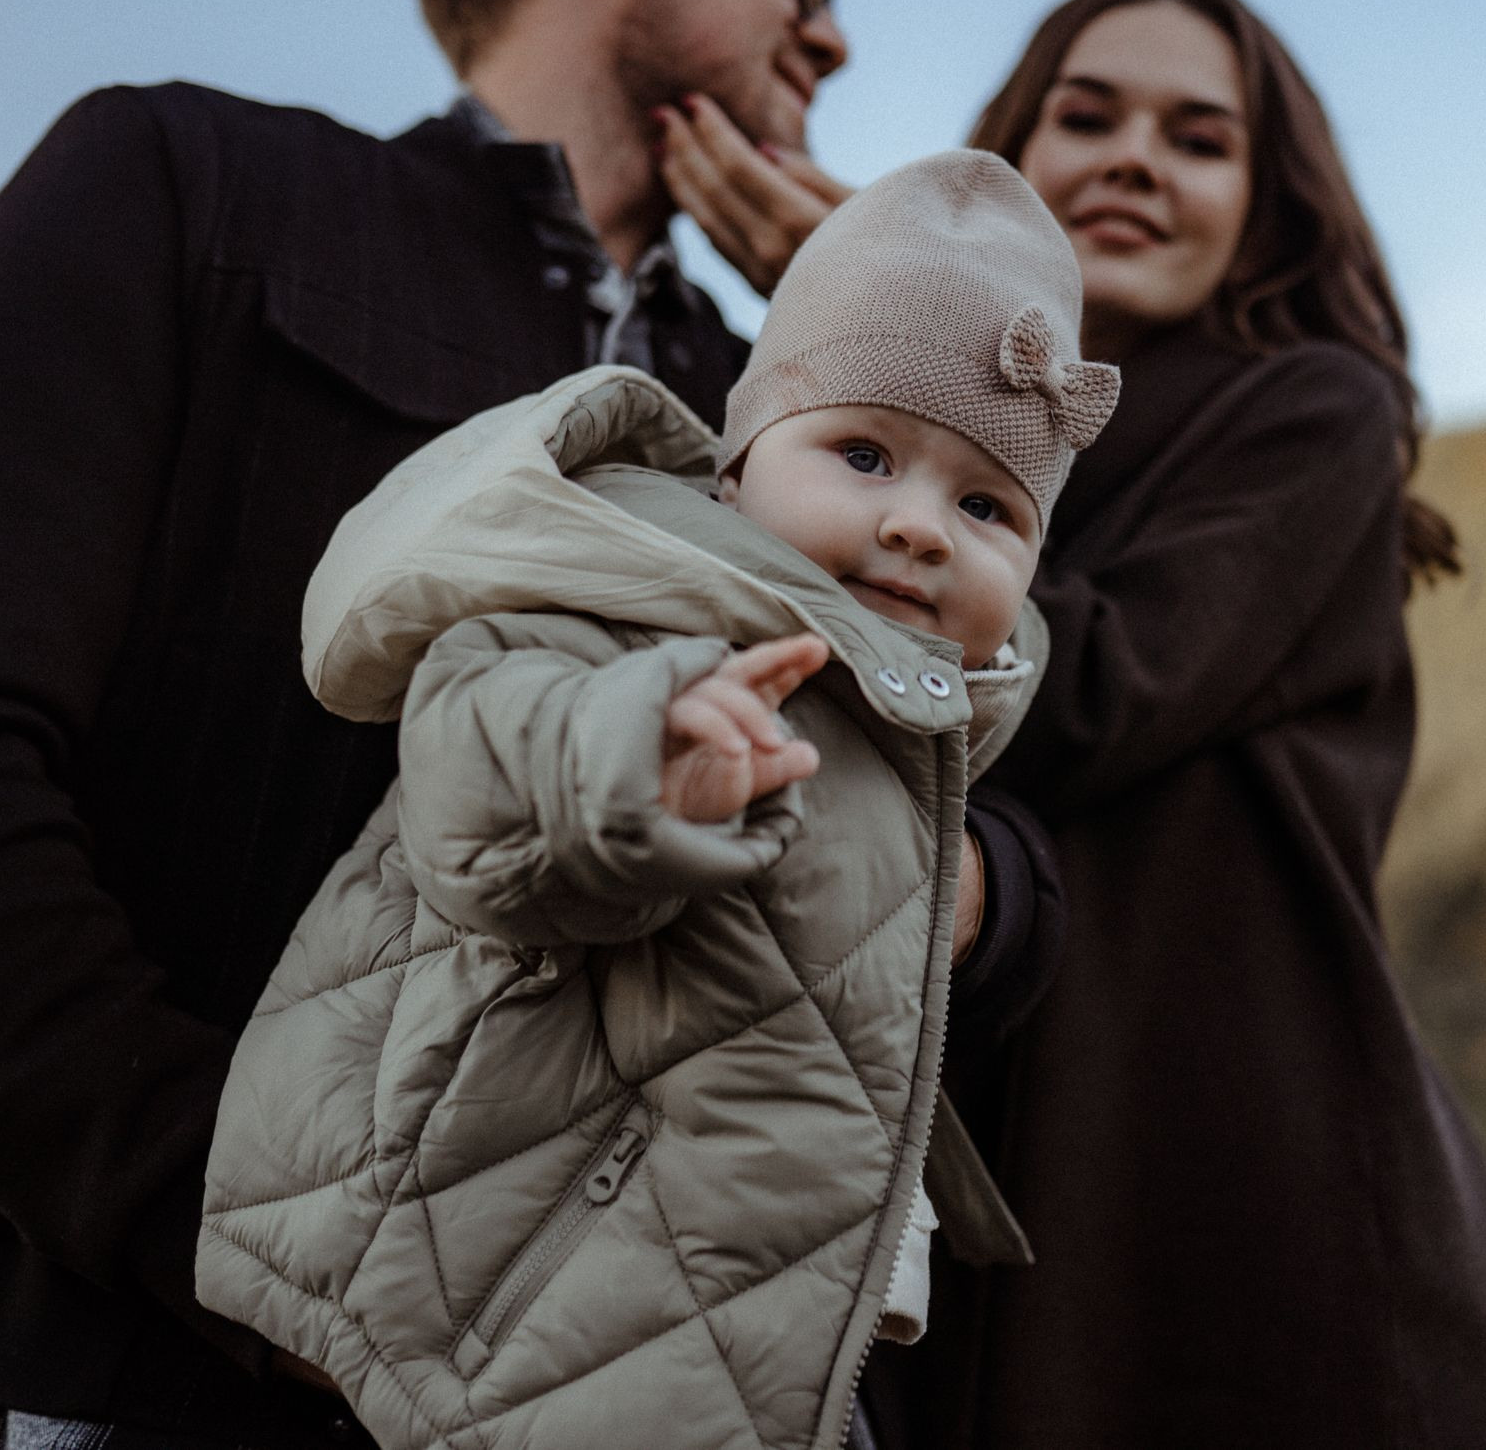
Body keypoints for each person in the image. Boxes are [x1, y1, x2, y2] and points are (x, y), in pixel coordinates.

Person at [0, 0, 1063, 1449]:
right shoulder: (190, 189)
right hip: (149, 1389)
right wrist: (240, 1241)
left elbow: (1004, 745)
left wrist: (975, 900)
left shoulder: (801, 425)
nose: (833, 28)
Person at [672, 0, 1486, 1447]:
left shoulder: (1311, 413)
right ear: (1011, 158)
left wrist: (855, 340)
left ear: (1268, 204)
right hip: (1000, 1173)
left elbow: (1082, 690)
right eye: (1088, 117)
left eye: (1199, 139)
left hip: (1252, 1198)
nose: (1137, 156)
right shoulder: (901, 449)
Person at [194, 150, 1116, 1450]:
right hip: (495, 1313)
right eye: (864, 454)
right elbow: (476, 776)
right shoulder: (622, 596)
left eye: (985, 505)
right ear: (738, 465)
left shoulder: (908, 726)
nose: (920, 525)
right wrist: (635, 758)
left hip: (734, 1348)